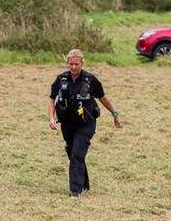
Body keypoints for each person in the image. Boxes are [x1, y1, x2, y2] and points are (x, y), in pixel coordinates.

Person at [48, 49, 122, 197]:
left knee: (77, 154)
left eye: (76, 64)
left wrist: (115, 114)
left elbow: (103, 98)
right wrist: (51, 117)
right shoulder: (61, 79)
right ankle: (84, 183)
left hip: (86, 124)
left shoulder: (90, 80)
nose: (74, 67)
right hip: (67, 124)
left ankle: (75, 190)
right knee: (73, 153)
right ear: (67, 64)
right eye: (71, 64)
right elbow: (52, 99)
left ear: (82, 63)